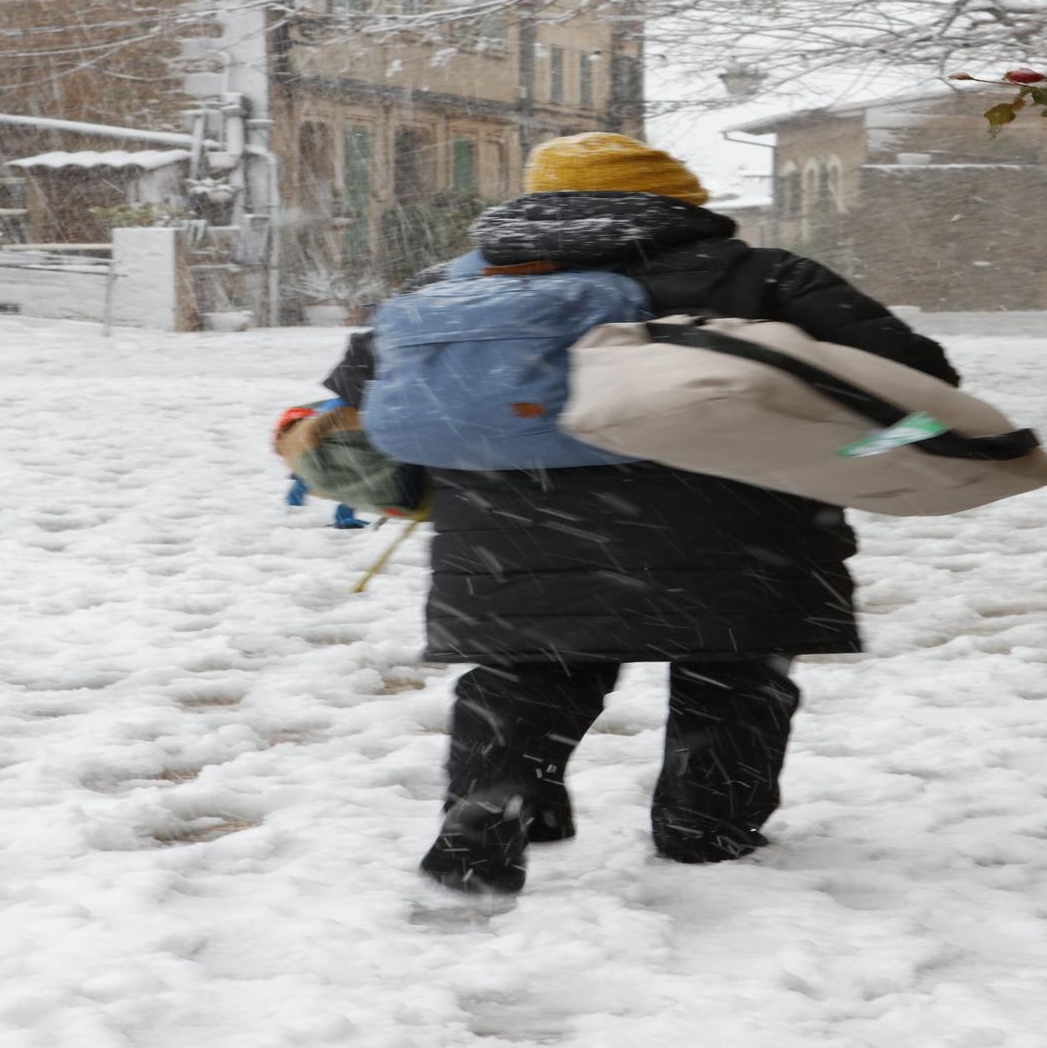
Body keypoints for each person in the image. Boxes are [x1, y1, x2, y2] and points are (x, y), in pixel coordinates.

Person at [323, 132, 957, 894]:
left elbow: (356, 394)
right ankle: (707, 827)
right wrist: (860, 456)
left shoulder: (447, 287)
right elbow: (917, 378)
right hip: (742, 524)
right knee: (732, 677)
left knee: (528, 678)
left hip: (511, 531)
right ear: (680, 201)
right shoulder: (761, 275)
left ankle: (487, 818)